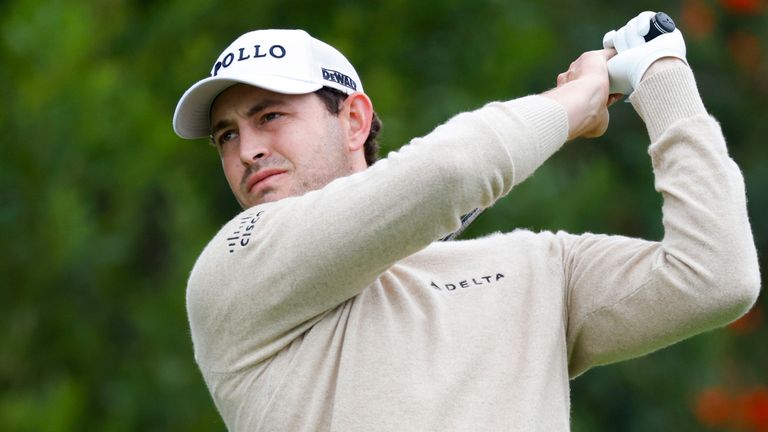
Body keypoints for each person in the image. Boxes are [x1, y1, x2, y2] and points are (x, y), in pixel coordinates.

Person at [172, 12, 760, 431]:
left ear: (353, 121)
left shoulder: (536, 269)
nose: (246, 149)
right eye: (227, 135)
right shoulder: (234, 269)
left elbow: (715, 276)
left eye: (270, 116)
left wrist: (660, 72)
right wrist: (579, 103)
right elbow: (453, 169)